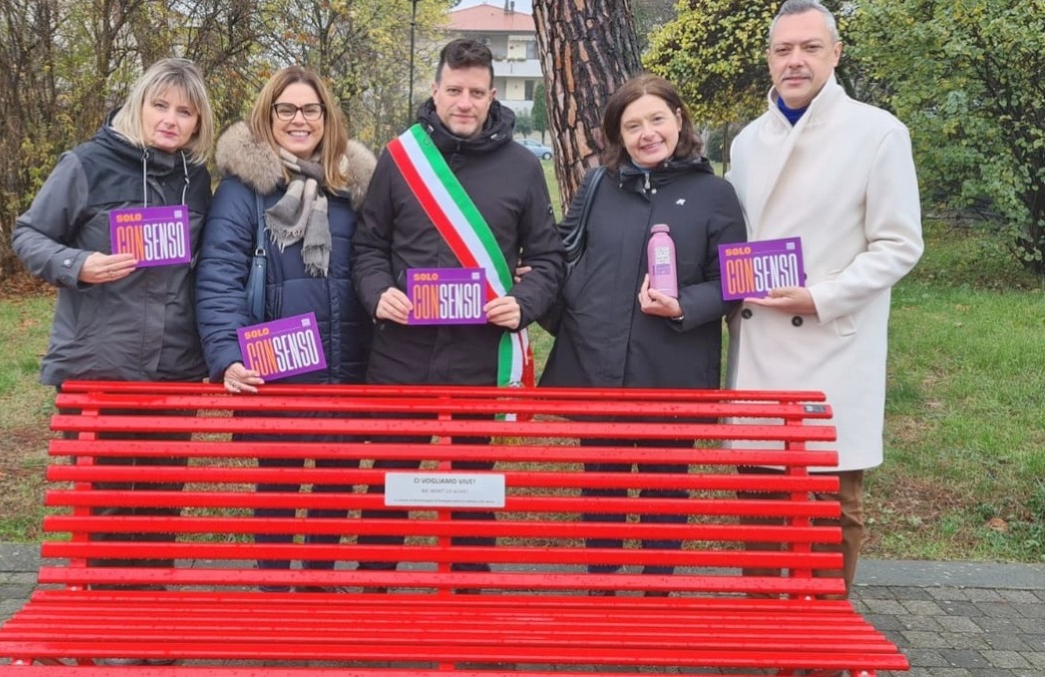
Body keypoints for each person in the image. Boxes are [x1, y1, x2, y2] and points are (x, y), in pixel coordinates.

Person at [12, 57, 214, 666]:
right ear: (139, 105)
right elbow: (28, 235)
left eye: (185, 111)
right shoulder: (86, 163)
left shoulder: (197, 181)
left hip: (174, 369)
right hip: (99, 366)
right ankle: (96, 631)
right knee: (101, 505)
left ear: (198, 121)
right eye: (162, 106)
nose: (171, 120)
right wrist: (78, 265)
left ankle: (147, 631)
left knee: (157, 503)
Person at [727, 0, 924, 604]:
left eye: (809, 47)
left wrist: (822, 296)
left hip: (833, 345)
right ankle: (767, 636)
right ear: (768, 59)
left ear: (835, 54)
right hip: (762, 349)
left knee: (835, 507)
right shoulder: (746, 141)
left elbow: (899, 244)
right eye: (783, 49)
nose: (795, 61)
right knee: (760, 503)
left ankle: (826, 639)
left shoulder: (878, 131)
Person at [351, 38, 564, 579]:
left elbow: (546, 259)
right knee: (390, 483)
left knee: (472, 483)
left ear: (492, 95)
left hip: (478, 355)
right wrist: (378, 294)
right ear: (435, 90)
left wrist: (523, 304)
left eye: (475, 92)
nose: (464, 103)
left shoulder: (521, 167)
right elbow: (368, 246)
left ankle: (470, 601)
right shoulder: (401, 158)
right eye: (454, 90)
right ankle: (374, 602)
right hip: (402, 353)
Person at [539, 74, 746, 591]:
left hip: (674, 365)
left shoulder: (716, 193)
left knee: (665, 490)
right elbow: (563, 256)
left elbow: (733, 281)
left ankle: (656, 592)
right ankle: (603, 590)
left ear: (679, 119)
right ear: (618, 134)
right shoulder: (598, 186)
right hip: (599, 362)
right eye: (632, 125)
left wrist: (686, 304)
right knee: (602, 488)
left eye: (656, 119)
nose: (646, 133)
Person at [195, 66, 376, 589]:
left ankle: (318, 584)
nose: (300, 120)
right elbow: (219, 277)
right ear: (268, 114)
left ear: (327, 117)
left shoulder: (352, 187)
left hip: (346, 361)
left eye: (310, 109)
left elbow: (383, 258)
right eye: (287, 109)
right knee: (276, 486)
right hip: (274, 364)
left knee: (336, 485)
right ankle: (273, 588)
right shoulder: (243, 190)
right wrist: (227, 353)